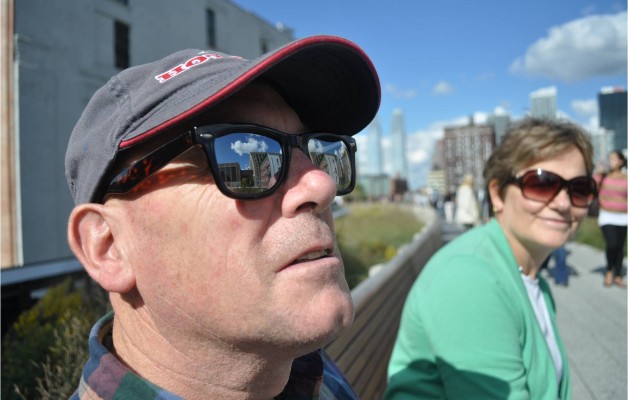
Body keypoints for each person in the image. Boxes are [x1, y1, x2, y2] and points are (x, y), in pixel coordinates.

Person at [64, 35, 380, 399]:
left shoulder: (315, 376)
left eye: (318, 151)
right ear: (109, 247)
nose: (320, 183)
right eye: (242, 156)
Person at [385, 118, 597, 399]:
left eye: (579, 188)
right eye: (541, 184)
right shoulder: (469, 277)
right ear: (497, 193)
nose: (563, 203)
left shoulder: (532, 278)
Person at [595, 150, 628, 287]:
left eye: (613, 159)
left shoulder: (626, 178)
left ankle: (618, 275)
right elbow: (592, 189)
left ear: (621, 161)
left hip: (623, 216)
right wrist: (598, 174)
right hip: (607, 216)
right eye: (609, 159)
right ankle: (609, 270)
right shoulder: (603, 177)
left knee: (620, 247)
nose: (611, 162)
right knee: (612, 244)